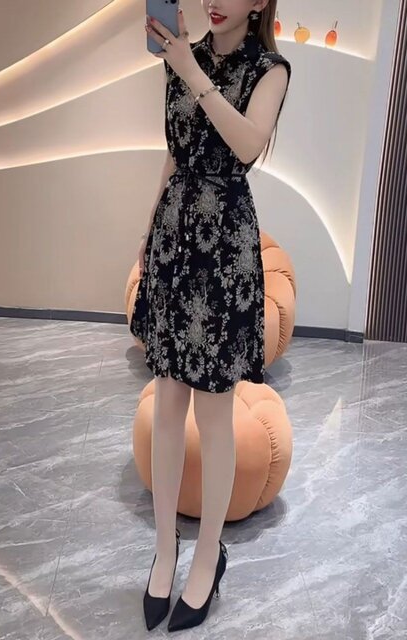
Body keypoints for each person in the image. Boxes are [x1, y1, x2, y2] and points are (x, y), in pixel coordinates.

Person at [130, 0, 291, 632]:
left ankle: (206, 557)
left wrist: (192, 73)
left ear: (259, 2)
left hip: (224, 245)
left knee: (214, 414)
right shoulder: (180, 58)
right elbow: (175, 152)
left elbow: (247, 144)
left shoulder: (270, 69)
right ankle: (164, 549)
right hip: (175, 238)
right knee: (168, 400)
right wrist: (149, 229)